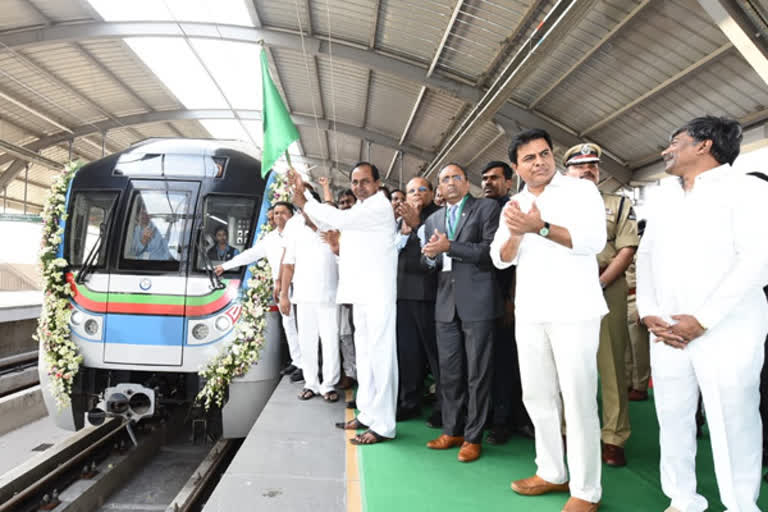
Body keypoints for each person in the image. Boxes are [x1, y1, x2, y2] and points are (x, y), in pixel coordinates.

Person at [637, 116, 768, 512]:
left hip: (727, 331)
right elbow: (645, 259)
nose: (666, 150)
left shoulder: (748, 190)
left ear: (704, 145)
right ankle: (682, 499)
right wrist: (648, 313)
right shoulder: (666, 198)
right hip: (667, 331)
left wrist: (702, 320)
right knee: (673, 418)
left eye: (674, 141)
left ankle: (740, 505)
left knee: (733, 421)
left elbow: (756, 261)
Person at [491, 129, 606, 512]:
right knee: (538, 397)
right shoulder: (515, 203)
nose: (539, 162)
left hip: (575, 311)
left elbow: (594, 242)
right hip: (532, 312)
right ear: (516, 167)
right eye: (529, 158)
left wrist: (539, 228)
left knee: (578, 400)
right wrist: (519, 234)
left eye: (544, 154)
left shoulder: (580, 191)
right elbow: (500, 258)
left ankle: (586, 490)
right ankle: (551, 472)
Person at [290, 162, 398, 446]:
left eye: (364, 181)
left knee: (381, 357)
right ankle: (367, 413)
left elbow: (336, 220)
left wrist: (306, 199)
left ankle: (384, 425)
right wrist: (301, 197)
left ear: (377, 183)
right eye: (354, 181)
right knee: (364, 356)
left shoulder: (379, 207)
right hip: (360, 294)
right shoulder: (361, 209)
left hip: (377, 293)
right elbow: (328, 223)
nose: (359, 186)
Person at [421, 163, 502, 463]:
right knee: (450, 373)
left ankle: (473, 436)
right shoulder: (434, 220)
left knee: (478, 373)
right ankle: (452, 429)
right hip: (445, 303)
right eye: (444, 179)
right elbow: (430, 262)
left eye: (457, 177)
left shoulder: (486, 209)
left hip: (477, 301)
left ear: (468, 184)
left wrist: (450, 246)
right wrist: (430, 256)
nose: (451, 183)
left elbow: (490, 252)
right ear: (439, 189)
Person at [563, 143, 638, 467]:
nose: (587, 170)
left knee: (611, 365)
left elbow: (626, 247)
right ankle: (571, 430)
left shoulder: (617, 204)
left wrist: (603, 280)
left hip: (606, 288)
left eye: (593, 165)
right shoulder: (555, 205)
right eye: (580, 166)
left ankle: (613, 437)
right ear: (568, 171)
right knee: (570, 366)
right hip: (566, 292)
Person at [215, 201, 303, 382]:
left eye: (283, 213)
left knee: (304, 327)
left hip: (301, 285)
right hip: (281, 288)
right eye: (276, 213)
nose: (279, 217)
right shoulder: (270, 238)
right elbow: (250, 255)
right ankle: (298, 361)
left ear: (293, 215)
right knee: (289, 325)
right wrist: (225, 266)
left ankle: (309, 366)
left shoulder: (300, 234)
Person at [479, 160, 532, 445]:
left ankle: (517, 419)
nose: (488, 183)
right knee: (495, 362)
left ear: (509, 182)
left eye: (495, 178)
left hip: (512, 298)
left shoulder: (516, 209)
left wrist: (510, 301)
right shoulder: (480, 210)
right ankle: (498, 418)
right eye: (485, 178)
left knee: (514, 362)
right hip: (486, 299)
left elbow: (516, 262)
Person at [279, 193, 341, 403]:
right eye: (301, 209)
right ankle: (311, 383)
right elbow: (288, 266)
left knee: (331, 341)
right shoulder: (296, 232)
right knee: (307, 342)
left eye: (307, 207)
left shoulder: (332, 229)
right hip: (304, 297)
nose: (304, 213)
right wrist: (284, 295)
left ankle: (329, 385)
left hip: (329, 297)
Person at [393, 177, 442, 427]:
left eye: (422, 189)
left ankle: (443, 407)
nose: (416, 194)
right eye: (411, 190)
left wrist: (417, 225)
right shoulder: (397, 222)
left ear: (432, 193)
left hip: (430, 296)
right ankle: (409, 402)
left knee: (436, 356)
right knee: (407, 354)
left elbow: (438, 253)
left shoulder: (439, 216)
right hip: (401, 296)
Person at [624, 219, 650, 402]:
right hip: (624, 298)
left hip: (637, 298)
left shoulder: (644, 249)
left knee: (638, 346)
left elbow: (646, 278)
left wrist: (643, 305)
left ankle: (640, 386)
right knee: (626, 346)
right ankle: (627, 383)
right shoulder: (628, 245)